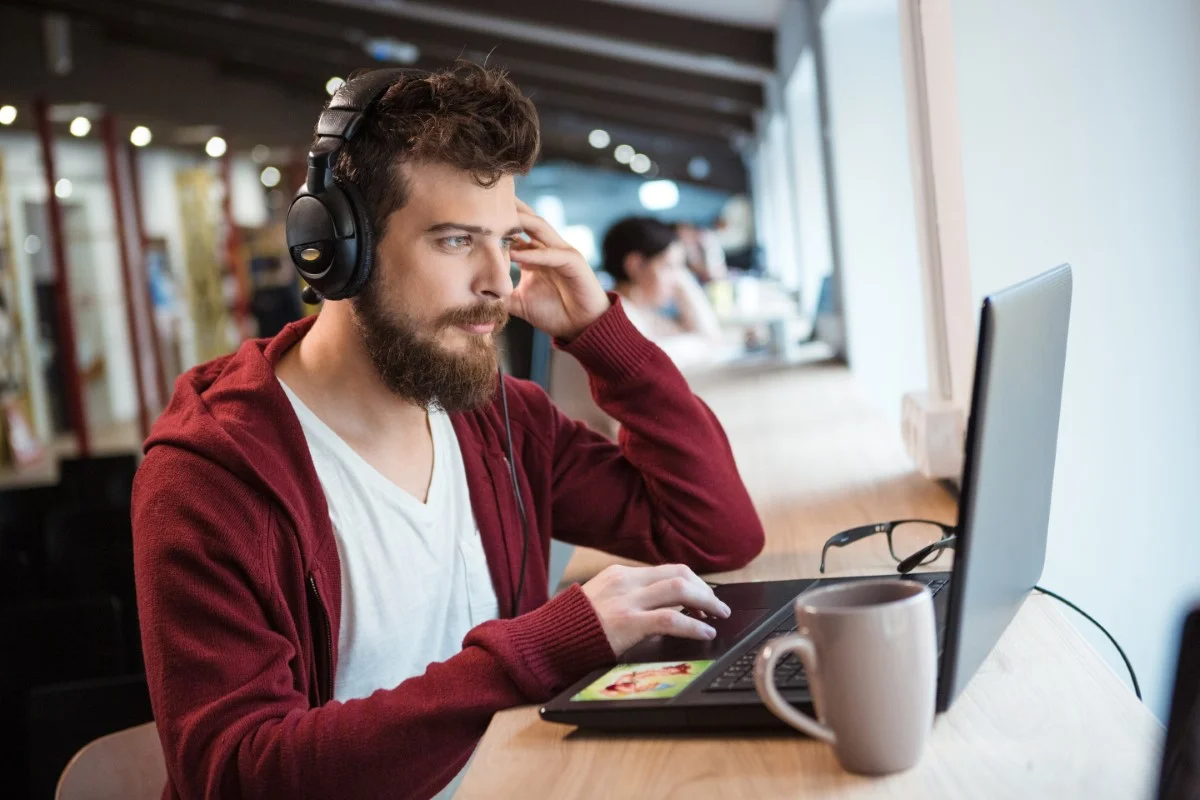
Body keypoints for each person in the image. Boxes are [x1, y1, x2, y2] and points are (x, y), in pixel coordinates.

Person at [132, 63, 763, 800]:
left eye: (508, 240)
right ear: (337, 249)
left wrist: (601, 332)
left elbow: (714, 531)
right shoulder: (210, 478)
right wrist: (542, 649)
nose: (499, 281)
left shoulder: (492, 415)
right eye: (458, 241)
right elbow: (239, 776)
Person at [601, 216, 726, 370]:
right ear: (636, 265)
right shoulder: (620, 319)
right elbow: (710, 342)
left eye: (680, 269)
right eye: (668, 266)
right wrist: (685, 281)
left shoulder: (641, 313)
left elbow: (712, 340)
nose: (676, 279)